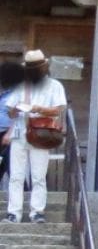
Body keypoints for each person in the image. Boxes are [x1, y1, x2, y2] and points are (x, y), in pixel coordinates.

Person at [3, 50, 68, 223]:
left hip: (42, 133)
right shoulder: (20, 85)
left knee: (38, 176)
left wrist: (38, 109)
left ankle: (37, 212)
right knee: (16, 176)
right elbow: (10, 112)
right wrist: (16, 109)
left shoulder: (54, 85)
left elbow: (59, 109)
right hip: (20, 133)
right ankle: (14, 212)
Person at [0, 57, 22, 200]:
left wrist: (10, 133)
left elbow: (20, 115)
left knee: (12, 168)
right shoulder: (3, 94)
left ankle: (22, 197)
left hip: (10, 134)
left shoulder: (18, 94)